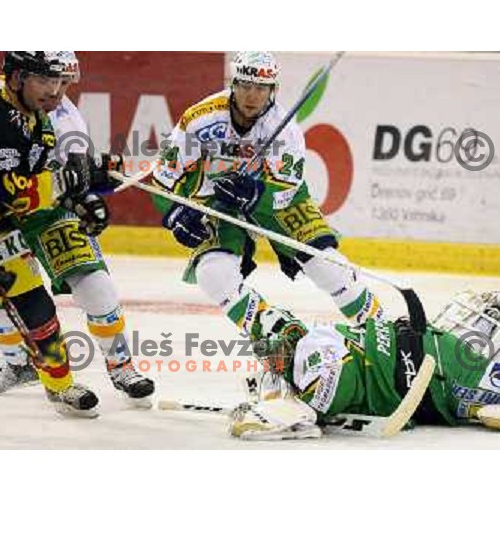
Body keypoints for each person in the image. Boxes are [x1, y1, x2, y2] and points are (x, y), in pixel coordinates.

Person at [0, 52, 153, 414]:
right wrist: (71, 180)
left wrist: (91, 180)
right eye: (45, 80)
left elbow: (55, 174)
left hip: (36, 209)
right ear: (18, 77)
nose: (56, 92)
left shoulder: (48, 115)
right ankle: (50, 379)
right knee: (25, 302)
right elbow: (17, 192)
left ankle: (120, 366)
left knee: (94, 283)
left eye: (62, 82)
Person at [152, 51, 382, 337]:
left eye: (261, 88)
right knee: (212, 274)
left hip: (273, 196)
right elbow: (163, 177)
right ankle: (279, 339)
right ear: (232, 84)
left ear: (273, 90)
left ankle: (380, 332)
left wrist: (256, 193)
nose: (252, 95)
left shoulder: (284, 129)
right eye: (245, 86)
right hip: (218, 203)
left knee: (328, 265)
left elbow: (286, 191)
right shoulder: (200, 119)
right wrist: (175, 214)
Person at [228, 289, 500, 439]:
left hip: (435, 370)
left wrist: (290, 409)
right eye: (267, 351)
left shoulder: (314, 350)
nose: (271, 357)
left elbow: (332, 387)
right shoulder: (310, 348)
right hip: (430, 366)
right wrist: (277, 405)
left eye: (274, 347)